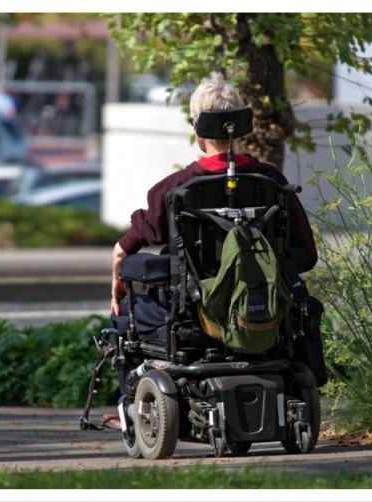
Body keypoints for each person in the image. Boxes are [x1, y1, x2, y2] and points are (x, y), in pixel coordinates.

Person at [102, 72, 317, 430]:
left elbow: (122, 253)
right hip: (262, 312)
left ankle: (129, 409)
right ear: (243, 125)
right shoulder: (273, 184)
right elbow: (306, 254)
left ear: (197, 128)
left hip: (193, 315)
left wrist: (117, 279)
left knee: (126, 309)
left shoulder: (174, 189)